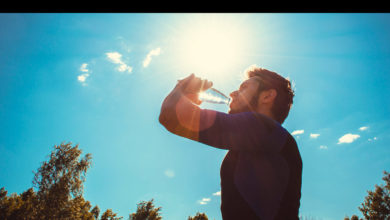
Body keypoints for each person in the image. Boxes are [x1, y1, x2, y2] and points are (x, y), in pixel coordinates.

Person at [159, 65, 302, 220]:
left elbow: (171, 114)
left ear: (267, 97)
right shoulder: (263, 138)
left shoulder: (263, 127)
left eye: (244, 88)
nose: (233, 93)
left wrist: (183, 87)